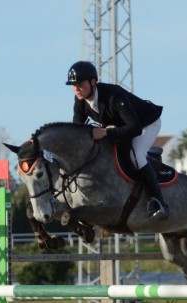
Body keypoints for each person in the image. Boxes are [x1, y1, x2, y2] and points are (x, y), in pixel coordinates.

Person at [65, 60, 169, 221]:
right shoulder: (79, 101)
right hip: (121, 126)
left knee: (136, 155)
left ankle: (158, 202)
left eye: (80, 84)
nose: (76, 89)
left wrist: (106, 132)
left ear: (93, 81)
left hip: (147, 123)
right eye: (73, 85)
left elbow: (134, 128)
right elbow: (77, 131)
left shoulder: (113, 96)